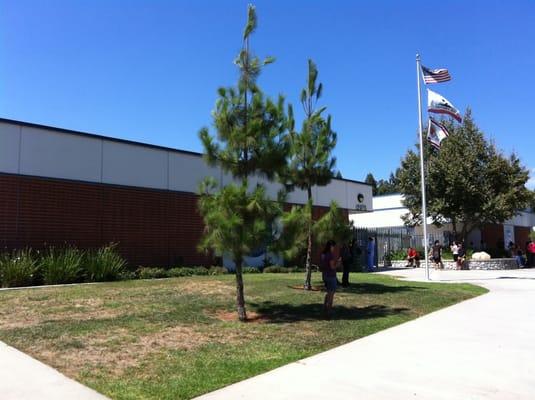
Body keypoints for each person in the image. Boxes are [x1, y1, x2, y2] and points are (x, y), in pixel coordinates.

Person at [320, 240, 340, 318]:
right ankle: (328, 312)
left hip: (324, 275)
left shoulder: (323, 254)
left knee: (328, 292)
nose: (334, 248)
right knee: (331, 294)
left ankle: (325, 308)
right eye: (333, 247)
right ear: (330, 246)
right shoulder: (330, 255)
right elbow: (332, 267)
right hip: (331, 276)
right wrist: (337, 264)